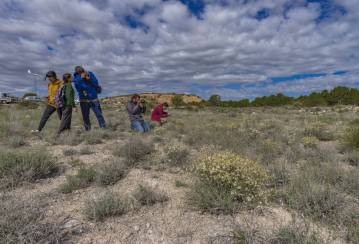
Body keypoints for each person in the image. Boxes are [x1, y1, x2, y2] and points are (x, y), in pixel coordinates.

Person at [73, 66, 106, 131]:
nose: (81, 73)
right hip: (83, 100)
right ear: (77, 72)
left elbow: (96, 84)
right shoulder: (76, 78)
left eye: (82, 71)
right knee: (85, 116)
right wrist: (81, 79)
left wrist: (89, 79)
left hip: (94, 99)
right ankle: (88, 130)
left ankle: (103, 128)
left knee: (99, 114)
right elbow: (78, 88)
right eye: (79, 72)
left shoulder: (90, 73)